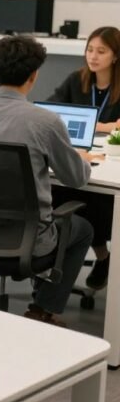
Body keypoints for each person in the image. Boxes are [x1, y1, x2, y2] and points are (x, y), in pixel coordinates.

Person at [0, 35, 95, 326]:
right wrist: (83, 159)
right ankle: (42, 310)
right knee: (82, 229)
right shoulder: (45, 122)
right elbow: (76, 178)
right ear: (34, 75)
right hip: (27, 241)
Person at [48, 26, 120, 289]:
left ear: (115, 56)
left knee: (95, 198)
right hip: (77, 154)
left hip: (110, 160)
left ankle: (102, 257)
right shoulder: (76, 80)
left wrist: (100, 127)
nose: (93, 56)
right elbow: (51, 112)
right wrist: (106, 126)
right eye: (90, 50)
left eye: (101, 51)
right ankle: (59, 260)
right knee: (61, 189)